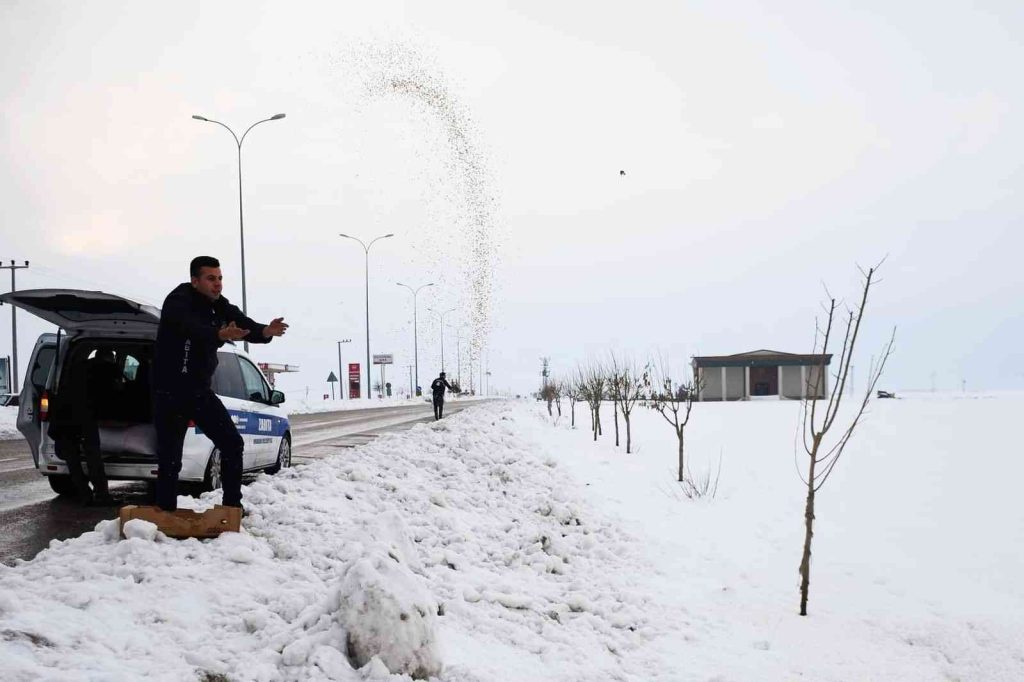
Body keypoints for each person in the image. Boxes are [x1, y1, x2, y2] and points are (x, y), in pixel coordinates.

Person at [153, 256, 288, 512]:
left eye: (220, 278)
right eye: (211, 279)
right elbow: (189, 328)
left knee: (232, 443)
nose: (218, 284)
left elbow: (243, 324)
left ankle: (231, 508)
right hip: (169, 390)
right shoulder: (178, 301)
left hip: (198, 391)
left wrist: (265, 332)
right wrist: (218, 334)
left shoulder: (219, 304)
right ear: (195, 281)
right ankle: (165, 512)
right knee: (170, 458)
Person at [49, 348, 119, 505]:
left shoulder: (78, 367)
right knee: (93, 456)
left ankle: (84, 494)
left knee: (72, 459)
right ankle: (101, 495)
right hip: (83, 416)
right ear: (108, 358)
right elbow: (109, 396)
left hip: (62, 416)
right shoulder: (106, 370)